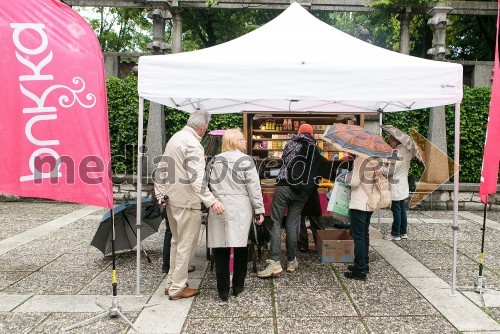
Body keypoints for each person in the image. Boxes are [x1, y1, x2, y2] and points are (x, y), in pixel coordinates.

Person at [154, 110, 225, 300]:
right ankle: (178, 288)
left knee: (176, 243)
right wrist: (212, 201)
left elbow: (161, 168)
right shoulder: (193, 144)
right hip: (187, 202)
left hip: (173, 200)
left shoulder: (175, 138)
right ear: (202, 127)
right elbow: (197, 179)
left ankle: (171, 283)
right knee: (185, 246)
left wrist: (160, 193)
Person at [257, 123, 326, 278]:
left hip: (284, 186)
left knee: (275, 222)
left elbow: (284, 162)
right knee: (292, 225)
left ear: (299, 132)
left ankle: (275, 262)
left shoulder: (291, 144)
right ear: (312, 134)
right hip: (302, 193)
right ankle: (291, 261)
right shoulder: (316, 149)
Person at [207, 129, 265, 301]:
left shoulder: (214, 161)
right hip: (240, 207)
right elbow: (254, 187)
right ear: (235, 141)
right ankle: (238, 286)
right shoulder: (245, 160)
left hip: (218, 206)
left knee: (220, 248)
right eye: (243, 139)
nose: (246, 142)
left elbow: (206, 183)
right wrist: (259, 209)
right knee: (241, 247)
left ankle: (223, 290)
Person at [344, 156, 380, 281]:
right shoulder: (376, 160)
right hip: (370, 202)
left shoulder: (359, 160)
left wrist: (346, 176)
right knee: (364, 234)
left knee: (358, 236)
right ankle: (364, 264)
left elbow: (354, 182)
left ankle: (359, 269)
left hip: (359, 202)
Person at [384, 134, 414, 241]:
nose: (390, 144)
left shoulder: (396, 153)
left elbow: (390, 171)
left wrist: (381, 167)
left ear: (396, 141)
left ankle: (395, 233)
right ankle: (403, 232)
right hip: (402, 184)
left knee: (396, 209)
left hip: (395, 184)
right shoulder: (407, 151)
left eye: (390, 141)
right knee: (402, 209)